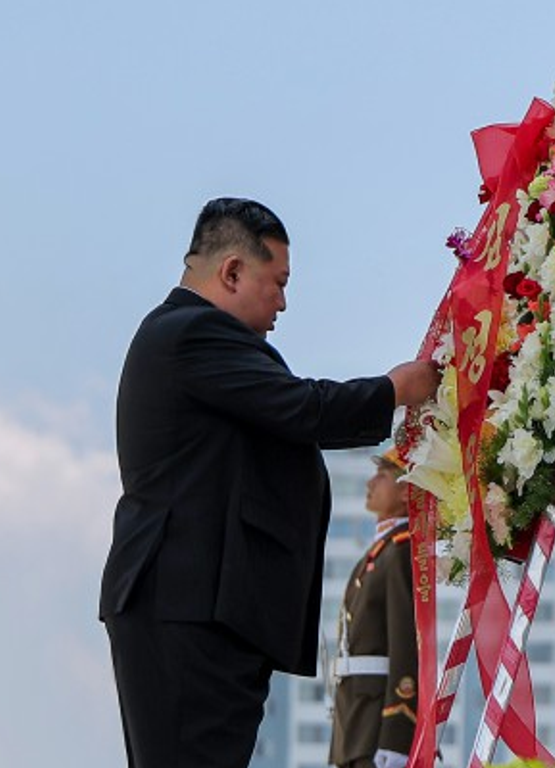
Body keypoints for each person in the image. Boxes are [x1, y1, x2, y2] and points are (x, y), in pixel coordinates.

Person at [98, 197, 441, 767]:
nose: (283, 301)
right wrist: (396, 389)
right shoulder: (192, 333)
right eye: (276, 281)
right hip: (189, 604)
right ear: (232, 270)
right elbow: (302, 408)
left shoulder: (193, 338)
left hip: (203, 605)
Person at [328, 447, 419, 768]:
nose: (370, 484)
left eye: (381, 476)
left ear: (408, 490)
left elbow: (406, 645)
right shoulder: (382, 552)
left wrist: (397, 736)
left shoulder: (399, 552)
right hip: (356, 722)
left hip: (375, 726)